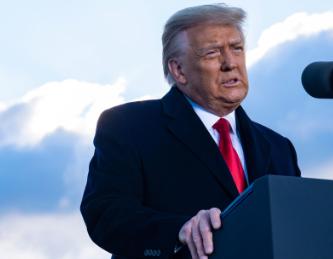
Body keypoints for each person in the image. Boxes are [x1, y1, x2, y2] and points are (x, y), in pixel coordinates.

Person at [81, 4, 301, 259]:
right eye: (212, 53)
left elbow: (295, 227)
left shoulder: (278, 146)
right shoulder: (128, 125)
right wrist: (179, 230)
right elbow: (105, 214)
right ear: (179, 70)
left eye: (236, 48)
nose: (230, 63)